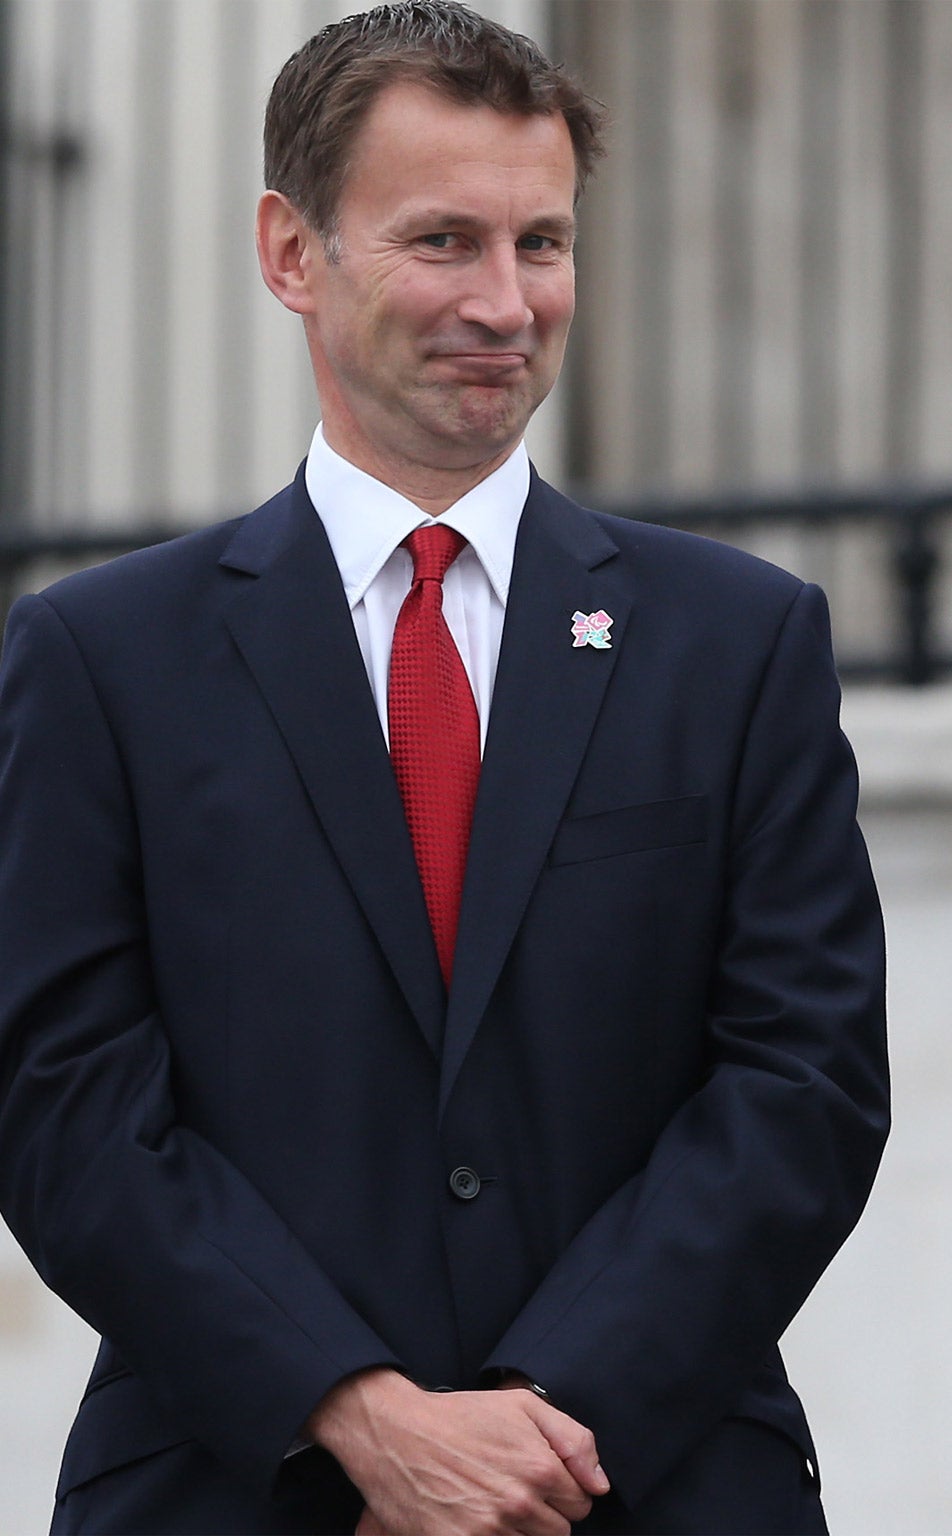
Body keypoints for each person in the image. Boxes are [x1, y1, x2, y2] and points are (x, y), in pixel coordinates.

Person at [0, 4, 887, 1532]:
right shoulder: (102, 659)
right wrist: (353, 1410)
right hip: (239, 1485)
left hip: (643, 1482)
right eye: (444, 241)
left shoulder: (739, 643)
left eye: (541, 243)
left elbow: (802, 1085)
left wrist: (544, 1417)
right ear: (290, 252)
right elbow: (64, 1101)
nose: (506, 300)